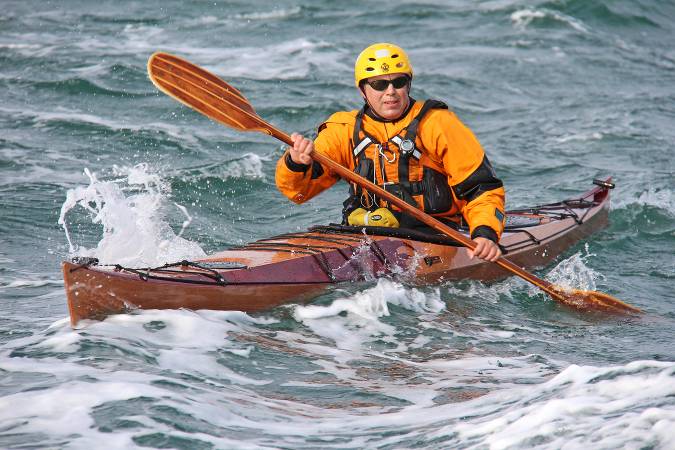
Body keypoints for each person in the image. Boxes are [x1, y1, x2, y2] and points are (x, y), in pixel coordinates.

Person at [275, 43, 505, 262]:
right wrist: (296, 162)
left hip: (432, 235)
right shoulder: (342, 129)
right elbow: (297, 192)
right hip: (361, 234)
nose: (391, 92)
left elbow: (481, 188)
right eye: (379, 84)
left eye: (399, 81)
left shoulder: (438, 124)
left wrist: (485, 233)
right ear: (362, 90)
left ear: (409, 84)